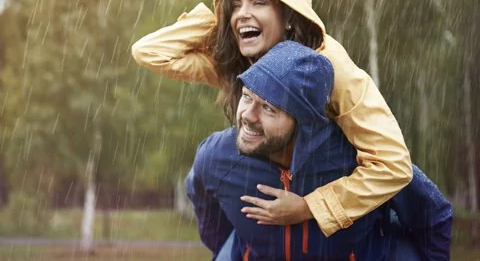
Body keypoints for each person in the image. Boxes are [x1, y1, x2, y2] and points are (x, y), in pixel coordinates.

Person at [132, 0, 413, 237]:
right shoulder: (241, 62)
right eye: (236, 4)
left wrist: (309, 207)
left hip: (342, 222)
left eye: (259, 2)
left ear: (290, 15)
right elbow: (150, 52)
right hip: (267, 203)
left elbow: (393, 166)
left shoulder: (332, 68)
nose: (242, 13)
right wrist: (222, 23)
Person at [186, 40, 452, 261]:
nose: (248, 116)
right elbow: (209, 217)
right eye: (247, 97)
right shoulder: (217, 156)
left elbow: (433, 215)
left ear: (304, 122)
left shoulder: (361, 159)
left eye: (269, 108)